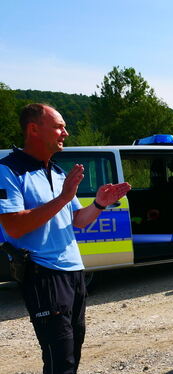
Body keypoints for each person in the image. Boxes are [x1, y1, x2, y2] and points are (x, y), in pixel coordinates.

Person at [0, 103, 131, 374]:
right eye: (59, 126)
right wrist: (62, 198)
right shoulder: (8, 170)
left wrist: (99, 204)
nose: (66, 133)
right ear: (34, 129)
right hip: (43, 274)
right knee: (60, 359)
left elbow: (77, 220)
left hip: (74, 271)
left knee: (74, 352)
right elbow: (13, 226)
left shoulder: (58, 171)